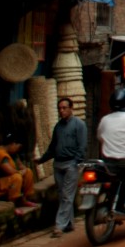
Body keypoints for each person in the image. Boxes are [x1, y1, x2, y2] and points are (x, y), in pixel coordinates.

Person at [35, 97, 87, 236]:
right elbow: (52, 148)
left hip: (71, 164)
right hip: (58, 164)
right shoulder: (58, 126)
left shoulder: (79, 124)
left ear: (71, 108)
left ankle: (59, 226)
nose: (62, 111)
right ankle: (69, 223)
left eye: (64, 108)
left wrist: (77, 162)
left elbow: (82, 146)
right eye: (60, 108)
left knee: (67, 196)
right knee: (62, 195)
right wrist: (41, 160)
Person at [0, 132, 39, 208]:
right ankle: (13, 204)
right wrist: (20, 172)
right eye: (17, 146)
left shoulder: (12, 153)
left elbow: (21, 166)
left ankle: (24, 200)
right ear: (13, 144)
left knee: (28, 172)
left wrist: (24, 170)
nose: (18, 149)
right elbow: (9, 171)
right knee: (17, 177)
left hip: (7, 180)